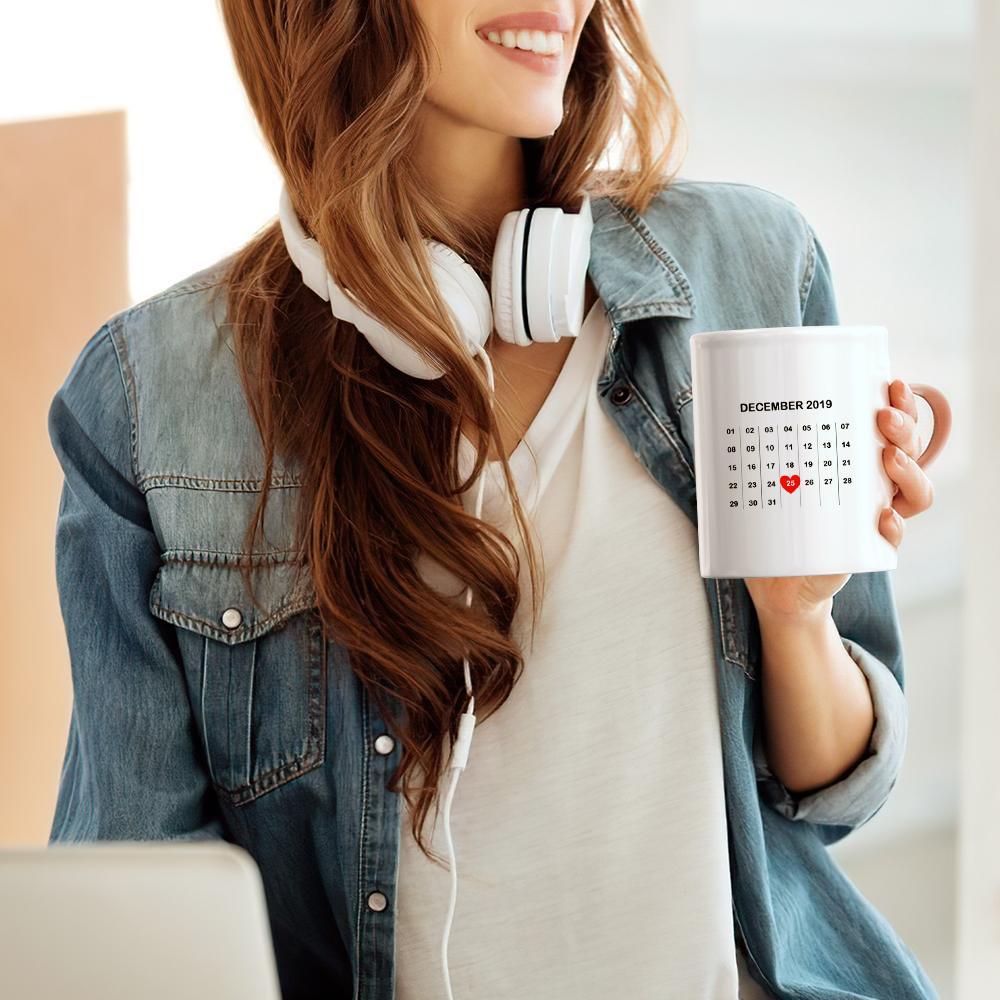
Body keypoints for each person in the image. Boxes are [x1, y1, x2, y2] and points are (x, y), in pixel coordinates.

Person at [46, 2, 941, 998]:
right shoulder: (154, 397)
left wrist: (797, 612)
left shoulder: (747, 264)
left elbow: (832, 794)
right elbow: (138, 905)